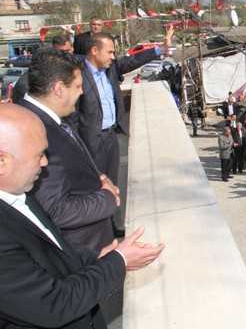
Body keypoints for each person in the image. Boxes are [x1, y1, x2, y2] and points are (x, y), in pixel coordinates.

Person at [0, 103, 164, 329]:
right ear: (2, 161)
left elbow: (50, 258)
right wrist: (119, 262)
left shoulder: (18, 191)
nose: (45, 163)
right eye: (39, 155)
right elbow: (54, 304)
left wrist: (98, 257)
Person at [18, 48, 120, 252]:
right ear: (58, 89)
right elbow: (56, 210)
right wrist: (108, 198)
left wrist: (98, 176)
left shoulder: (45, 118)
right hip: (84, 252)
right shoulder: (36, 131)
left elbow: (69, 166)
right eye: (77, 86)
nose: (82, 92)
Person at [73, 27, 175, 187]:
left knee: (113, 182)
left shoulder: (110, 68)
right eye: (110, 52)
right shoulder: (76, 74)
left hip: (112, 136)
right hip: (90, 140)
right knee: (96, 184)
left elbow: (133, 61)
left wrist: (160, 49)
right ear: (94, 50)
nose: (113, 57)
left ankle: (112, 209)